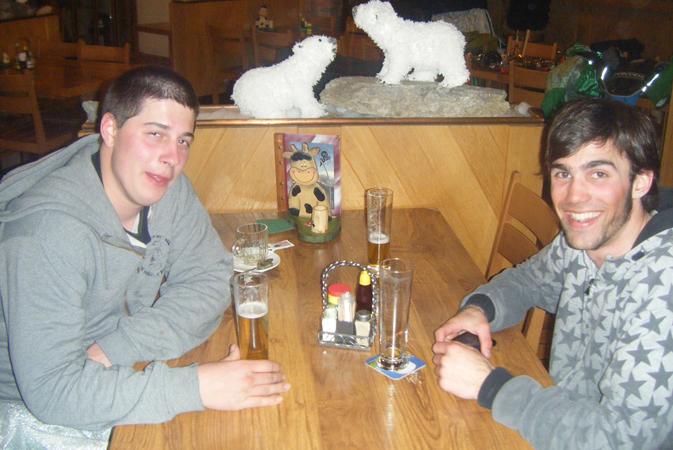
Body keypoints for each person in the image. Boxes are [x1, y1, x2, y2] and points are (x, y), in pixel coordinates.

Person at [0, 66, 290, 432]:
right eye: (155, 134)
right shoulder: (46, 235)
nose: (172, 158)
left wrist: (120, 346)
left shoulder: (166, 188)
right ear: (110, 130)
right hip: (32, 413)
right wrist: (197, 386)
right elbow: (54, 393)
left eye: (183, 141)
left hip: (114, 373)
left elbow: (210, 277)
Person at [432, 98, 673, 449]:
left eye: (599, 174)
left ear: (641, 182)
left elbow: (620, 439)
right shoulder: (584, 240)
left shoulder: (662, 286)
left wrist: (492, 387)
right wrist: (479, 309)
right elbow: (529, 280)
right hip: (556, 422)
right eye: (563, 173)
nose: (574, 197)